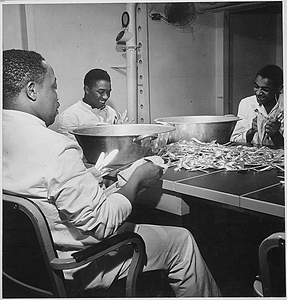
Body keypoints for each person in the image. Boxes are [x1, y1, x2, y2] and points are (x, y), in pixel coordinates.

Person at [3, 49, 221, 297]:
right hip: (76, 265)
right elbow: (103, 224)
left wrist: (91, 176)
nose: (57, 96)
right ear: (32, 90)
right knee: (182, 241)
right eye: (53, 87)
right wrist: (138, 178)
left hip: (22, 268)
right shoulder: (54, 147)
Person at [58, 68, 128, 140]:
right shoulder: (70, 116)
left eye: (108, 92)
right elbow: (71, 147)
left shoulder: (111, 113)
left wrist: (120, 132)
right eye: (101, 92)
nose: (106, 97)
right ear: (87, 90)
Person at [231, 64, 284, 147]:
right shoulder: (246, 104)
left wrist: (276, 135)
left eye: (265, 89)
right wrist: (251, 131)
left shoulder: (284, 105)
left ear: (278, 88)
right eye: (256, 87)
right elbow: (234, 140)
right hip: (253, 157)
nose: (258, 93)